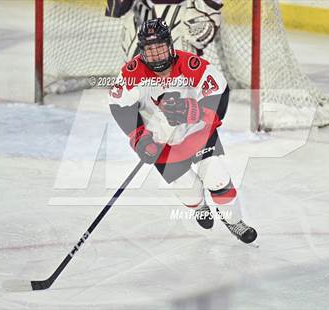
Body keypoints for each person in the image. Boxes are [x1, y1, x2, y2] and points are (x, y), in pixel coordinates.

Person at [108, 18, 257, 244]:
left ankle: (234, 220)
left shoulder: (191, 65)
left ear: (170, 45)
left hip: (196, 133)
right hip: (158, 141)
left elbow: (219, 91)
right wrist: (139, 138)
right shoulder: (131, 73)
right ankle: (199, 207)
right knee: (189, 191)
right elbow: (120, 106)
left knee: (216, 177)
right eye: (150, 50)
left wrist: (197, 112)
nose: (156, 55)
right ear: (141, 51)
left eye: (160, 48)